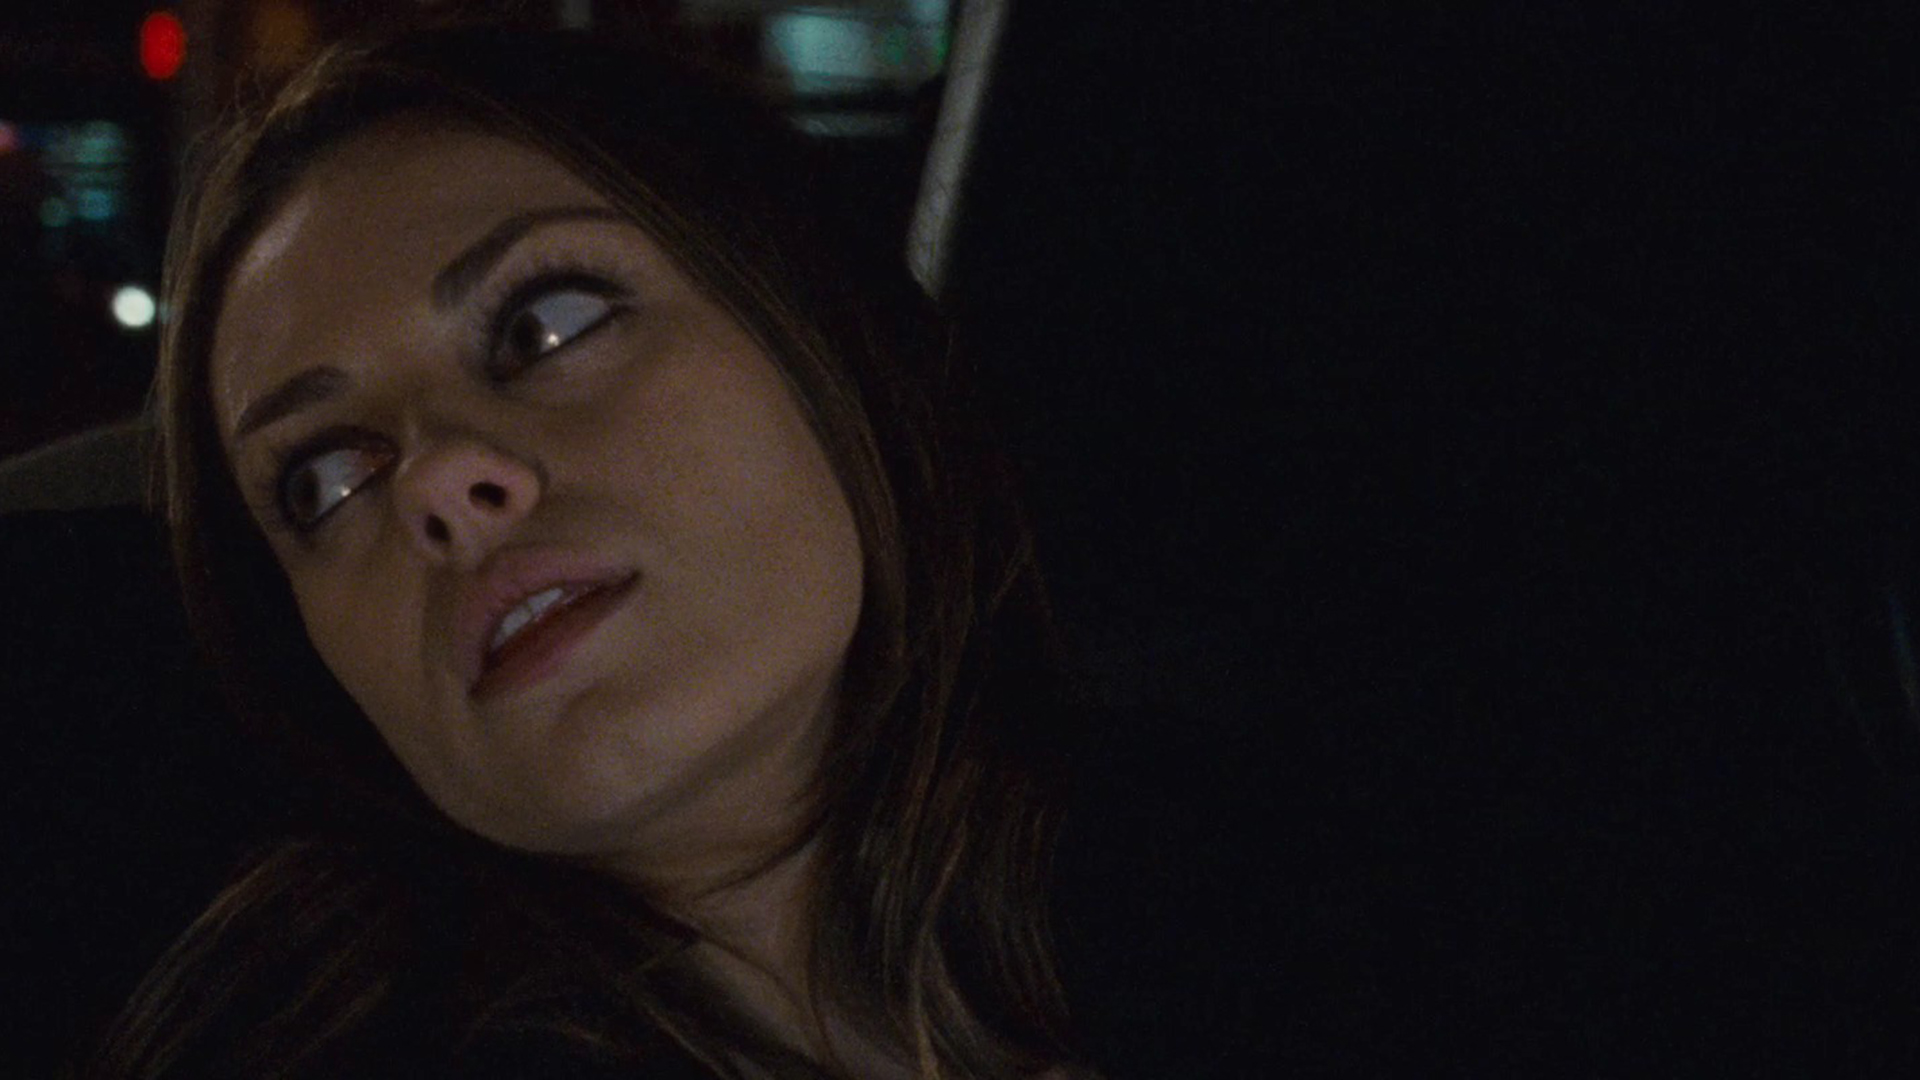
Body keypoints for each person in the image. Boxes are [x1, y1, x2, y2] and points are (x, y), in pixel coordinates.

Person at [90, 24, 1093, 1080]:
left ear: (823, 329)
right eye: (326, 481)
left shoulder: (1185, 872)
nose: (437, 483)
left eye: (547, 325)